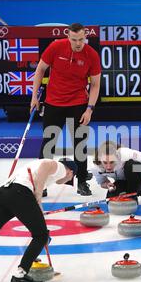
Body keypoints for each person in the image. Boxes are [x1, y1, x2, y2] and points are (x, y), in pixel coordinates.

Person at [30, 23, 101, 197]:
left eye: (81, 39)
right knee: (48, 144)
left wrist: (89, 109)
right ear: (68, 36)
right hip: (53, 102)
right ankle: (41, 183)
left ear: (86, 37)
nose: (78, 43)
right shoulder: (56, 47)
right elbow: (40, 70)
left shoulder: (91, 55)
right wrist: (34, 96)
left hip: (78, 103)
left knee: (80, 145)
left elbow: (95, 84)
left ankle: (82, 181)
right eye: (74, 39)